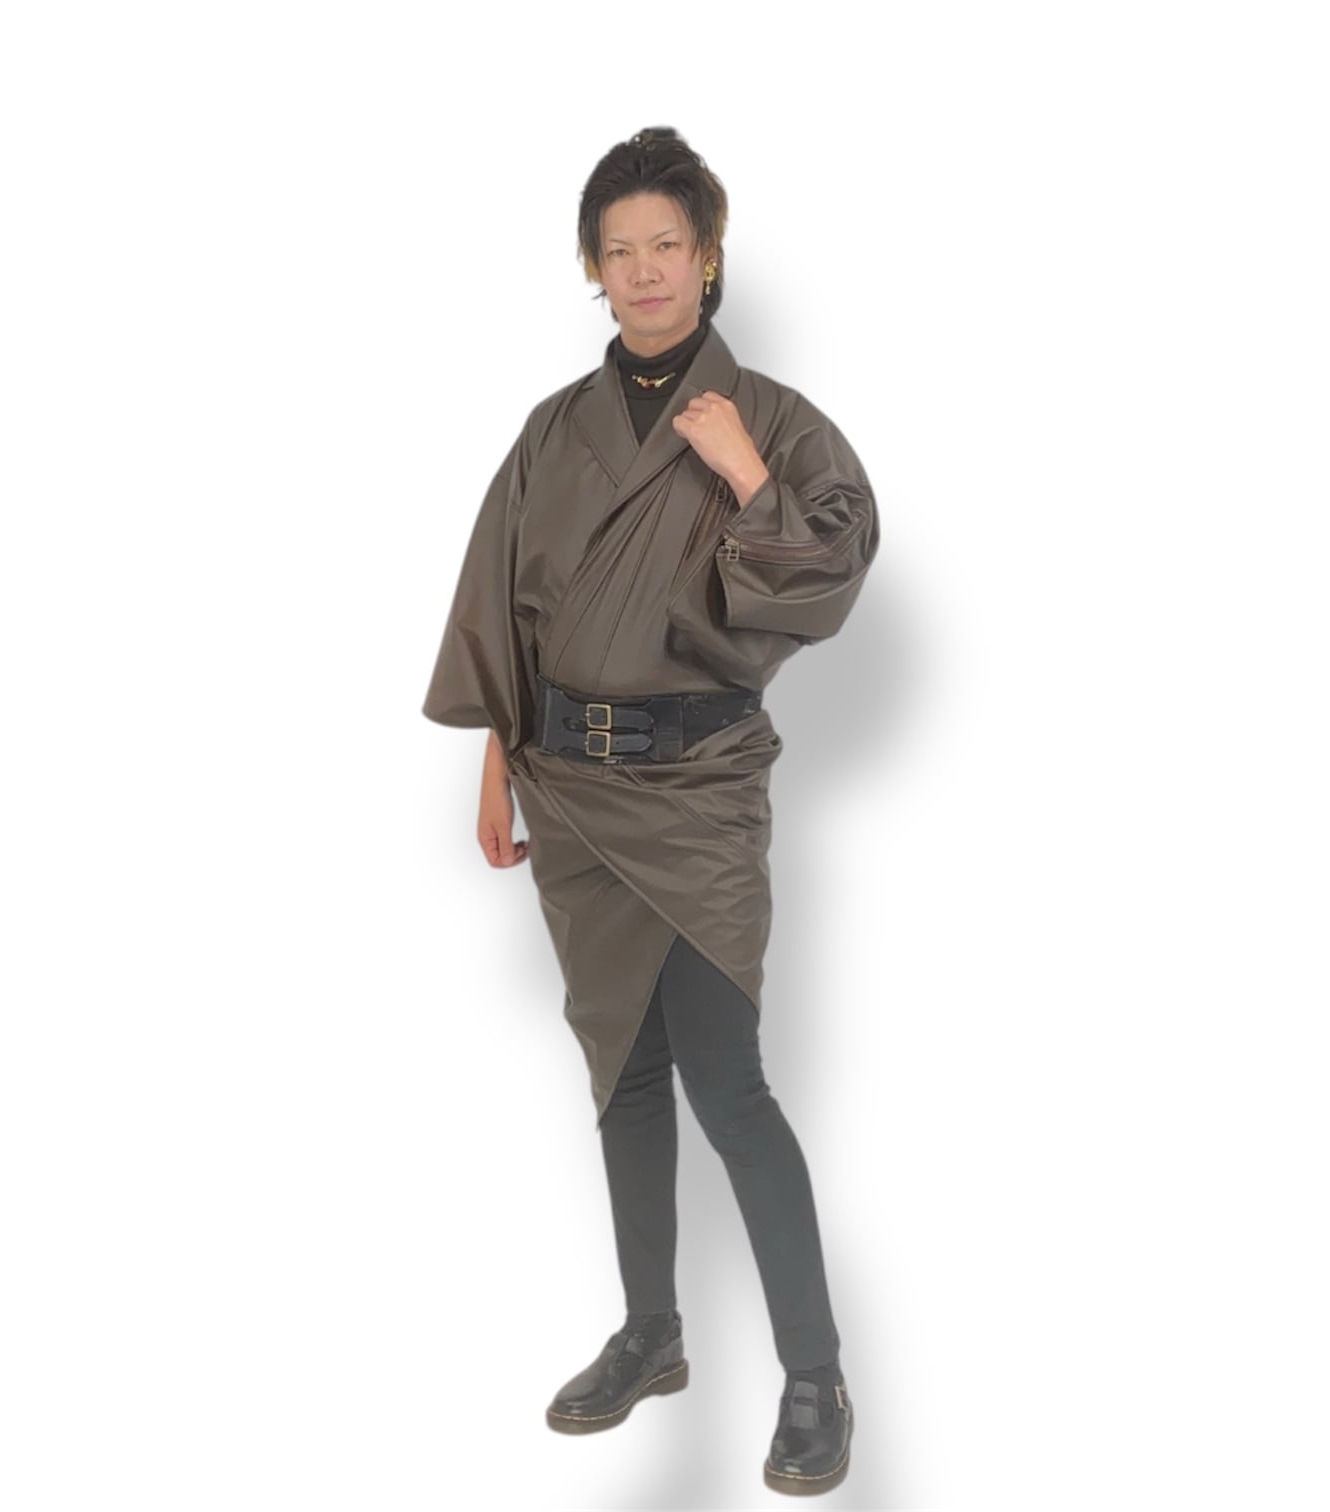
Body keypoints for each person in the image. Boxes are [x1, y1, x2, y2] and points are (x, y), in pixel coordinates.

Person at [421, 125, 880, 1496]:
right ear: (594, 268)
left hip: (698, 791)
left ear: (708, 255)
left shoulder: (776, 420)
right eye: (618, 251)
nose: (643, 271)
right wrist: (496, 759)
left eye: (666, 245)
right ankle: (652, 1334)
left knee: (727, 1082)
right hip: (568, 789)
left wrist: (746, 475)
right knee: (621, 1074)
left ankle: (816, 1379)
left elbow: (833, 568)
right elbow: (500, 599)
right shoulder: (552, 432)